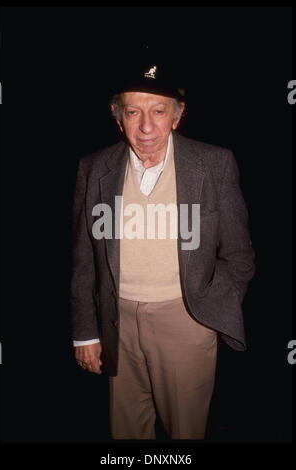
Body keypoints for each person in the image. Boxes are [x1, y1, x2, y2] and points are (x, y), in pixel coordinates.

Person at [70, 57, 255, 440]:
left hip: (185, 319)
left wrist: (210, 307)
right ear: (117, 116)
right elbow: (84, 257)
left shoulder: (214, 164)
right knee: (125, 433)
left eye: (158, 110)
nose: (147, 125)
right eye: (133, 111)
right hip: (116, 322)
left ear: (177, 114)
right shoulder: (94, 167)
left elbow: (239, 254)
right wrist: (86, 333)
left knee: (185, 433)